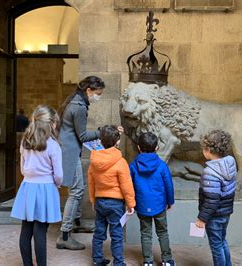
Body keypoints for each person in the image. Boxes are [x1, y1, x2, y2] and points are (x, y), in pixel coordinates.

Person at [57, 76, 123, 250]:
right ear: (89, 91)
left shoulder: (75, 102)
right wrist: (105, 131)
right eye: (98, 93)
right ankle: (64, 235)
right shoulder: (78, 107)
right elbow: (84, 136)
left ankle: (76, 222)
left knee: (78, 187)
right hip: (69, 153)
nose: (98, 97)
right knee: (77, 191)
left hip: (68, 151)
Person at [10, 105, 63, 266]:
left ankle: (27, 264)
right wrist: (57, 184)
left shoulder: (25, 142)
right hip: (46, 187)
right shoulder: (53, 145)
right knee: (40, 231)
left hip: (28, 186)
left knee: (26, 230)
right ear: (51, 124)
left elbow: (22, 167)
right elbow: (58, 173)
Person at [88, 125, 136, 266]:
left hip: (100, 201)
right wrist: (131, 204)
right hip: (115, 204)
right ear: (117, 142)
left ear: (101, 141)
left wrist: (93, 200)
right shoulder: (120, 162)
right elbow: (127, 185)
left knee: (99, 233)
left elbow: (91, 183)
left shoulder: (94, 160)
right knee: (116, 234)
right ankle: (119, 262)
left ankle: (97, 260)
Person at [129, 132, 175, 266]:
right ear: (156, 148)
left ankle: (148, 261)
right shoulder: (161, 165)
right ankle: (167, 260)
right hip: (160, 205)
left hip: (142, 206)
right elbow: (168, 185)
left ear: (139, 147)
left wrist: (130, 202)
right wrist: (170, 201)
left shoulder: (133, 166)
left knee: (145, 233)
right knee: (162, 232)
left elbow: (129, 186)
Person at [195, 129, 237, 266]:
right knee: (222, 241)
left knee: (216, 247)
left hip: (214, 215)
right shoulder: (230, 163)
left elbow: (212, 200)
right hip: (226, 212)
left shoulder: (210, 172)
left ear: (208, 150)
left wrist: (202, 218)